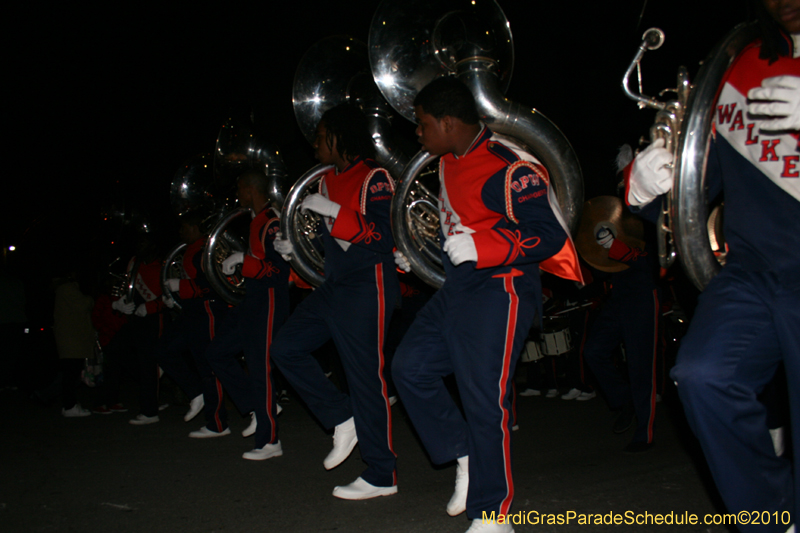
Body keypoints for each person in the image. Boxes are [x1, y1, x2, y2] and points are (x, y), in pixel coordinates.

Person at [626, 1, 799, 529]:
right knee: (704, 375)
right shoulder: (738, 62)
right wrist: (654, 186)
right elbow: (707, 181)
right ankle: (769, 519)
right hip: (753, 267)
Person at [391, 77, 583, 533]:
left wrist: (486, 247)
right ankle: (466, 457)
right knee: (409, 367)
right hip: (460, 287)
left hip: (504, 287)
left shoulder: (512, 164)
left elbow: (551, 233)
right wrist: (418, 254)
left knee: (483, 398)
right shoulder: (445, 162)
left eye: (422, 124)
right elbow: (458, 230)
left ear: (448, 122)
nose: (417, 133)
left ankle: (494, 515)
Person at [270, 103, 399, 499]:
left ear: (340, 137)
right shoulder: (325, 180)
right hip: (335, 285)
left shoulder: (375, 177)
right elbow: (331, 244)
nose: (314, 144)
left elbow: (386, 237)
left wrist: (335, 212)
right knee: (285, 347)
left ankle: (382, 475)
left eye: (321, 136)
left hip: (369, 285)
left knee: (365, 379)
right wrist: (295, 249)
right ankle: (341, 416)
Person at [204, 169, 291, 459]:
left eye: (240, 188)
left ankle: (269, 441)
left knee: (259, 368)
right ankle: (256, 405)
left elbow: (279, 272)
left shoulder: (271, 221)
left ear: (251, 189)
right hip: (253, 299)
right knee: (217, 352)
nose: (237, 195)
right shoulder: (256, 221)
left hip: (268, 299)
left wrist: (244, 261)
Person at [582, 221, 659, 453]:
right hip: (618, 299)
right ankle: (626, 400)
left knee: (641, 366)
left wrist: (618, 248)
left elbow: (653, 263)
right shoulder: (615, 216)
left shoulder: (650, 223)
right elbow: (600, 269)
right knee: (593, 351)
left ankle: (645, 432)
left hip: (644, 295)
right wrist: (601, 249)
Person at [154, 212, 231, 438]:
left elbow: (212, 285)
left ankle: (217, 424)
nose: (181, 232)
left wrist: (181, 287)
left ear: (196, 227)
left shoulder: (203, 250)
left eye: (185, 227)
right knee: (163, 350)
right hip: (191, 311)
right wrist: (175, 297)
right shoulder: (191, 249)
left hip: (207, 311)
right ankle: (195, 393)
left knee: (208, 367)